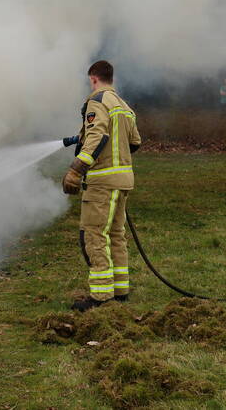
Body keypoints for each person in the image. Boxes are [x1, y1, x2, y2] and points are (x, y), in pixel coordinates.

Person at [61, 60, 142, 311]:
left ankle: (100, 297)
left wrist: (76, 170)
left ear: (94, 79)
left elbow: (98, 136)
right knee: (116, 235)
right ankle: (120, 291)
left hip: (102, 182)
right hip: (123, 181)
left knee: (93, 235)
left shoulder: (97, 101)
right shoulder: (124, 106)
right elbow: (134, 142)